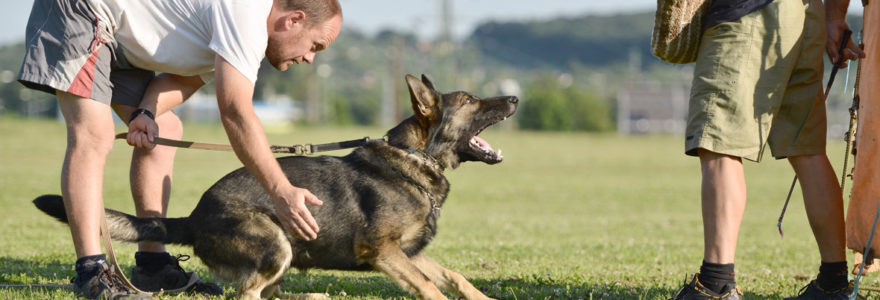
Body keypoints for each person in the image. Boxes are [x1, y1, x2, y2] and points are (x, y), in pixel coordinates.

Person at [17, 0, 342, 298]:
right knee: (94, 135)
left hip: (122, 41)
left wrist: (145, 113)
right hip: (84, 10)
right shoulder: (248, 15)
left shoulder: (240, 36)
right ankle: (92, 272)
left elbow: (184, 81)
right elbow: (235, 112)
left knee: (166, 128)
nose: (310, 58)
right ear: (294, 20)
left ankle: (152, 264)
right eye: (316, 45)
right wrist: (281, 189)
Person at [669, 0, 865, 299]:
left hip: (748, 13)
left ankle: (716, 284)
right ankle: (833, 283)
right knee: (808, 150)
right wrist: (833, 18)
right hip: (806, 15)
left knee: (720, 143)